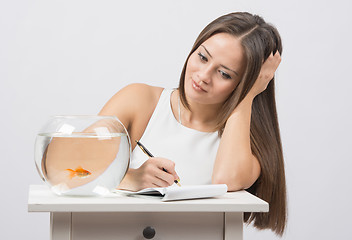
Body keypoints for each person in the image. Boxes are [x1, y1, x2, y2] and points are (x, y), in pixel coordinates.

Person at [99, 12, 286, 235]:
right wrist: (130, 178)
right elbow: (70, 164)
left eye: (224, 74)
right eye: (203, 57)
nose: (203, 76)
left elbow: (226, 179)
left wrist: (248, 97)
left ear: (245, 83)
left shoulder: (247, 144)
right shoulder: (139, 100)